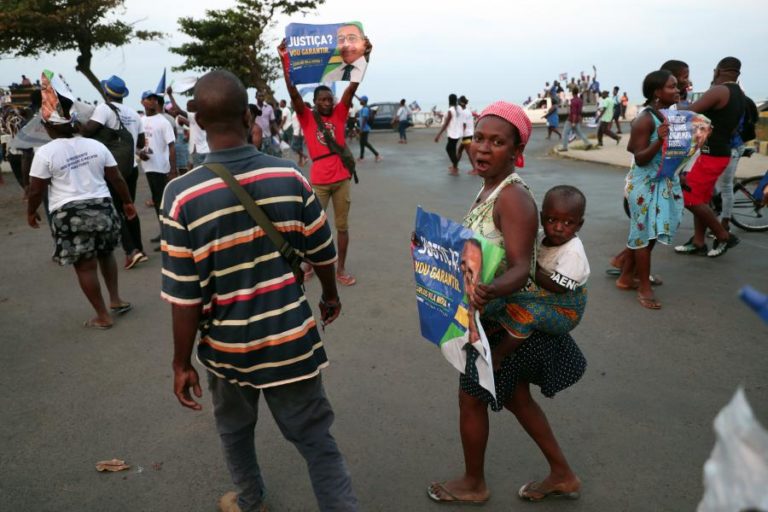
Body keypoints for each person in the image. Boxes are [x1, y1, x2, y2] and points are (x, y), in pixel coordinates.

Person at [160, 69, 357, 512]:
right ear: (249, 115)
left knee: (234, 429)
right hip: (291, 340)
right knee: (316, 440)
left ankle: (250, 499)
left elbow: (185, 297)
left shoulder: (181, 196)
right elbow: (323, 253)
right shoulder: (289, 176)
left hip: (227, 349)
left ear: (197, 119)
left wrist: (180, 361)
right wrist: (330, 296)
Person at [427, 101, 585, 504]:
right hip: (492, 315)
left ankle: (474, 484)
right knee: (514, 396)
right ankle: (563, 474)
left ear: (516, 152)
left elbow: (521, 268)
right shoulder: (490, 188)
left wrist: (489, 291)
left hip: (504, 319)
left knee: (471, 397)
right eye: (479, 138)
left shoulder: (513, 198)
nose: (482, 148)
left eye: (497, 142)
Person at [27, 89, 135, 329]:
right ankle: (116, 299)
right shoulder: (96, 146)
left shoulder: (45, 152)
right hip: (103, 207)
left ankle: (102, 315)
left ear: (49, 126)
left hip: (70, 214)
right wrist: (127, 202)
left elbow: (36, 190)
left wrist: (31, 212)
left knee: (85, 265)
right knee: (106, 254)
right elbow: (116, 178)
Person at [279, 37, 370, 286]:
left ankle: (340, 269)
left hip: (341, 179)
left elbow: (352, 86)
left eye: (330, 99)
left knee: (342, 226)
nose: (328, 102)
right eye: (323, 100)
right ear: (316, 102)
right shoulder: (307, 117)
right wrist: (284, 59)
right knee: (313, 227)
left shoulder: (341, 113)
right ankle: (309, 263)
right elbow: (292, 91)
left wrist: (365, 57)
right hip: (318, 181)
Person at [615, 70, 683, 310]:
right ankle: (644, 286)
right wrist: (659, 141)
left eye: (677, 86)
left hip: (662, 182)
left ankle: (625, 277)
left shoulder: (668, 114)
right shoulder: (646, 118)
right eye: (671, 87)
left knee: (652, 234)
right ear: (657, 92)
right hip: (645, 185)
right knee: (644, 236)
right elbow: (640, 157)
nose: (677, 90)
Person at [482, 185, 589, 336]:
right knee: (505, 288)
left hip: (565, 306)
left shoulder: (573, 253)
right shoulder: (540, 236)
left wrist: (530, 269)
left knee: (525, 313)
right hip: (542, 288)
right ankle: (498, 326)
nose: (558, 228)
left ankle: (500, 354)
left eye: (568, 223)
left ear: (579, 225)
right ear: (542, 218)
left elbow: (560, 288)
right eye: (552, 220)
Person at [674, 57, 745, 258]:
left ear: (718, 70)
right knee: (702, 198)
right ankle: (698, 242)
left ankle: (724, 235)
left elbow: (689, 111)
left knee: (688, 197)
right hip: (719, 153)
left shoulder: (720, 90)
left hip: (712, 155)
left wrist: (666, 104)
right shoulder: (738, 93)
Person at [78, 75, 148, 270]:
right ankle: (140, 247)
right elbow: (141, 143)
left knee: (116, 210)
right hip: (131, 168)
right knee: (129, 206)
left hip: (112, 169)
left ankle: (131, 251)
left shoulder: (103, 108)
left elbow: (87, 131)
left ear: (106, 92)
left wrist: (76, 120)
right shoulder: (134, 113)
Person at [139, 90, 176, 250]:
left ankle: (168, 237)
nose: (151, 101)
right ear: (142, 102)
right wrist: (140, 153)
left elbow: (172, 146)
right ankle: (163, 233)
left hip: (162, 168)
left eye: (154, 99)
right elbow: (139, 143)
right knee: (156, 201)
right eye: (148, 99)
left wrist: (173, 170)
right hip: (148, 167)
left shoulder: (163, 122)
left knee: (163, 203)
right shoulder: (141, 120)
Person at [166, 85, 209, 168]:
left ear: (193, 108)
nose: (186, 108)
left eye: (188, 106)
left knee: (197, 174)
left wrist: (170, 95)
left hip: (198, 151)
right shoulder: (203, 116)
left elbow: (178, 110)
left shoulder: (194, 116)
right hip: (205, 150)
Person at [434, 94, 462, 175]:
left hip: (452, 134)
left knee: (449, 149)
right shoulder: (458, 109)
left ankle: (455, 168)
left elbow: (446, 124)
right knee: (452, 149)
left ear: (449, 100)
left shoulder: (451, 110)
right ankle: (454, 166)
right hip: (457, 133)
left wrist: (438, 135)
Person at [558, 87, 592, 151]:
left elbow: (574, 112)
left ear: (572, 93)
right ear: (577, 92)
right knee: (579, 132)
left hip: (571, 120)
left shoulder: (573, 101)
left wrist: (573, 122)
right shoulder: (580, 100)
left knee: (565, 133)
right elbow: (579, 111)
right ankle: (588, 143)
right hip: (577, 119)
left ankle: (564, 147)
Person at [253, 90, 279, 155]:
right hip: (256, 136)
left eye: (262, 96)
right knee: (258, 155)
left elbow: (273, 122)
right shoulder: (253, 108)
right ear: (256, 97)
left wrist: (278, 133)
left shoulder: (269, 107)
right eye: (259, 96)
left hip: (267, 136)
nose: (261, 97)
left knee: (269, 155)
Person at [357, 96, 382, 162]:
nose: (360, 101)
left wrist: (361, 129)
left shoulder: (365, 109)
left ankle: (377, 155)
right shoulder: (364, 107)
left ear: (364, 101)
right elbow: (360, 99)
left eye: (361, 100)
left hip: (365, 128)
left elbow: (365, 119)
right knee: (362, 143)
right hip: (364, 128)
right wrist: (354, 94)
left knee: (365, 143)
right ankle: (361, 157)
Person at [456, 95, 475, 172]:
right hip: (468, 133)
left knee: (469, 153)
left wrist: (459, 135)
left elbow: (463, 125)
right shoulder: (467, 111)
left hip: (466, 134)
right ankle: (455, 166)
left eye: (458, 103)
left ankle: (476, 169)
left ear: (461, 103)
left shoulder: (463, 112)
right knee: (460, 150)